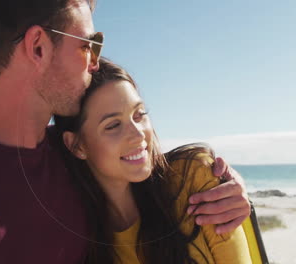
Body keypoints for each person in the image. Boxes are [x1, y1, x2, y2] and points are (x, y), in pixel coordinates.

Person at [0, 0, 250, 263]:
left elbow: (147, 168)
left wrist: (228, 189)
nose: (95, 62)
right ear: (38, 47)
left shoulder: (73, 154)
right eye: (88, 45)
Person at [54, 58, 252, 263]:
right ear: (77, 145)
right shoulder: (80, 244)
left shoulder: (193, 179)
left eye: (139, 114)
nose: (138, 134)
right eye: (113, 125)